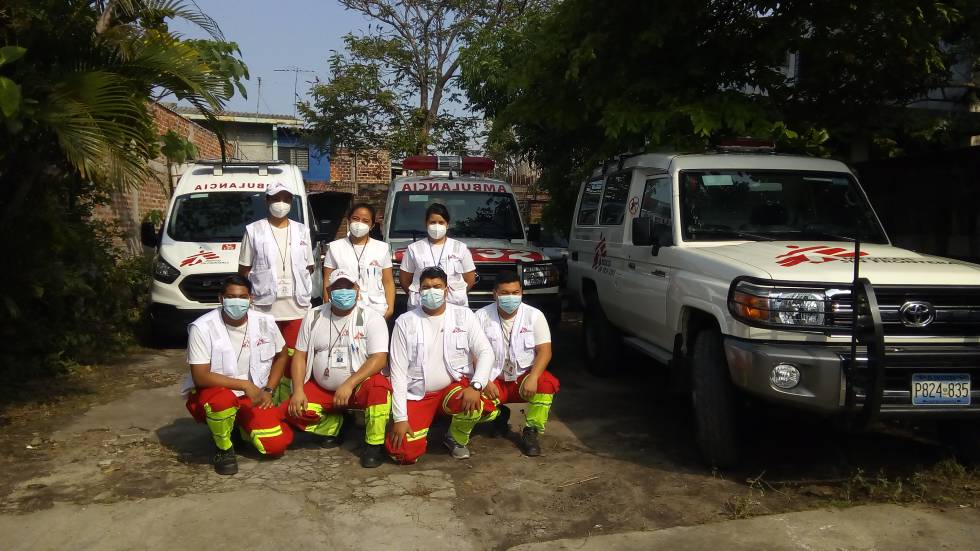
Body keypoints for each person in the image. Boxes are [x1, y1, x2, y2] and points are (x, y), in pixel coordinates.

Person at [182, 275, 293, 475]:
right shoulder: (202, 327)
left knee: (275, 446)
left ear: (250, 299)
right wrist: (244, 385)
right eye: (231, 296)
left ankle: (240, 428)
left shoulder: (265, 322)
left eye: (243, 297)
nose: (237, 301)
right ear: (221, 298)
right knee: (222, 402)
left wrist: (268, 389)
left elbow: (282, 355)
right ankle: (224, 449)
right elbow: (200, 376)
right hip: (217, 394)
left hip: (255, 397)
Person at [386, 266, 497, 463]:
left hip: (452, 389)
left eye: (437, 286)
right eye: (426, 287)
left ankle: (455, 437)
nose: (432, 291)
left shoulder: (463, 315)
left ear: (446, 290)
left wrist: (477, 385)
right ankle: (415, 422)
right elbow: (398, 372)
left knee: (477, 403)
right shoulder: (405, 322)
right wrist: (401, 418)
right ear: (419, 291)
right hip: (418, 393)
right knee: (403, 454)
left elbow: (485, 351)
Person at [286, 270, 392, 468]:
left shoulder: (371, 318)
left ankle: (373, 445)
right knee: (293, 410)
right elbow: (300, 355)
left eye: (348, 287)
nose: (343, 292)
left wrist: (349, 383)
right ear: (328, 290)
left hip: (358, 386)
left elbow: (379, 359)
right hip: (322, 388)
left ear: (357, 290)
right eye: (337, 287)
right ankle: (334, 427)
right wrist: (298, 390)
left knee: (380, 391)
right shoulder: (314, 316)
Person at [239, 181, 315, 402]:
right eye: (276, 199)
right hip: (265, 306)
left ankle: (294, 398)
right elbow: (244, 269)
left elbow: (309, 266)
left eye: (286, 199)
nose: (281, 203)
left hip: (296, 305)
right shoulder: (253, 230)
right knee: (267, 354)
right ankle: (269, 398)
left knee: (296, 355)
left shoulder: (302, 230)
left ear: (291, 202)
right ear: (267, 201)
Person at [474, 270, 559, 456]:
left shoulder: (534, 316)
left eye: (515, 292)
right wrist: (484, 381)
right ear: (494, 294)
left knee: (547, 383)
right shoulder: (480, 317)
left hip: (523, 378)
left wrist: (534, 377)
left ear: (521, 292)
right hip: (494, 380)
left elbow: (545, 351)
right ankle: (499, 415)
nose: (510, 297)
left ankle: (531, 431)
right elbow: (472, 354)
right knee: (469, 401)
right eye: (504, 293)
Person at [323, 203, 396, 320]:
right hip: (344, 309)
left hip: (376, 310)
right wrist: (327, 305)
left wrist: (390, 308)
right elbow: (327, 280)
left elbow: (387, 281)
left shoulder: (382, 248)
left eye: (365, 221)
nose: (359, 224)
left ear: (372, 226)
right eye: (355, 219)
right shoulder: (334, 247)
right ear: (348, 220)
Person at [398, 203, 476, 308]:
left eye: (441, 222)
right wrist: (425, 297)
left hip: (454, 305)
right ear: (426, 224)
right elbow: (404, 279)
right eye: (432, 222)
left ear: (447, 225)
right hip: (421, 306)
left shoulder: (460, 248)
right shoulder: (413, 249)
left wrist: (457, 294)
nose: (437, 226)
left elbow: (470, 278)